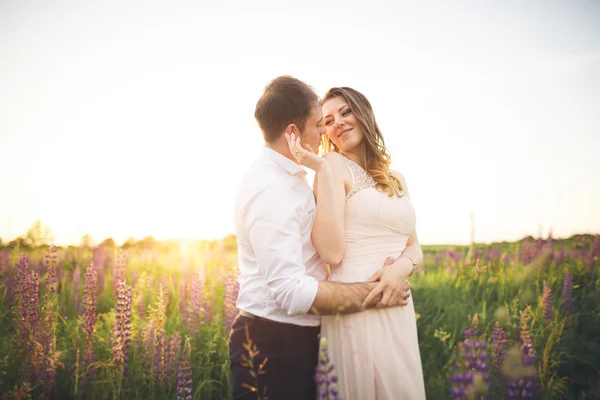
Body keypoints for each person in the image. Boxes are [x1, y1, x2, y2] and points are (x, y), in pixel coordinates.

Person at [229, 76, 412, 400]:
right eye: (320, 123)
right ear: (293, 133)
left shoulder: (293, 177)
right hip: (272, 342)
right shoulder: (270, 189)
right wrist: (374, 293)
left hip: (301, 336)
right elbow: (291, 290)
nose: (327, 131)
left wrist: (400, 268)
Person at [288, 86, 426, 399]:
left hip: (397, 303)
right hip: (356, 303)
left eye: (345, 112)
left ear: (363, 113)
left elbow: (414, 246)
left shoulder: (398, 178)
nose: (338, 122)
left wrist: (400, 269)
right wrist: (322, 169)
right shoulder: (333, 165)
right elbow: (332, 253)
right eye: (328, 120)